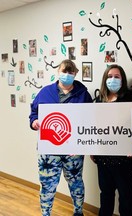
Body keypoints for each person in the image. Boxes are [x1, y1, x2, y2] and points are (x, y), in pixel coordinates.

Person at [29, 59, 92, 216]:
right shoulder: (45, 92)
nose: (67, 75)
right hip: (49, 150)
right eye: (64, 71)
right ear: (58, 72)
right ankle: (46, 213)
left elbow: (91, 119)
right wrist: (34, 121)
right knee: (47, 185)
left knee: (76, 183)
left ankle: (78, 212)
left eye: (71, 72)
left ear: (76, 74)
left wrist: (83, 144)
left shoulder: (83, 94)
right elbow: (34, 112)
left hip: (74, 150)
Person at [90, 64, 132, 216]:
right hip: (103, 157)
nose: (112, 79)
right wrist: (93, 148)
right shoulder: (99, 100)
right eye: (110, 76)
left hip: (124, 159)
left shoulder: (131, 98)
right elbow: (93, 127)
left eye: (117, 76)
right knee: (105, 194)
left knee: (125, 195)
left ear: (123, 79)